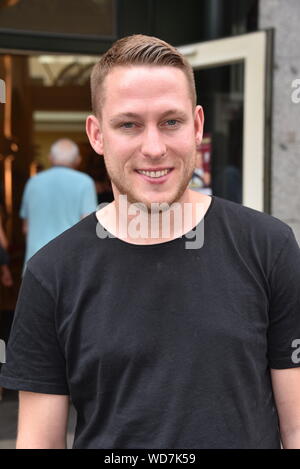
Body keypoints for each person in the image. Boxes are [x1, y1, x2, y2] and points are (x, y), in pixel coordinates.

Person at [0, 35, 300, 450]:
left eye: (171, 122)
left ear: (197, 125)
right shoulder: (52, 273)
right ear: (97, 134)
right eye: (129, 124)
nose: (154, 148)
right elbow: (38, 442)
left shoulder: (270, 248)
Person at [19, 138, 98, 267]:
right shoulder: (85, 182)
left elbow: (25, 228)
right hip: (70, 264)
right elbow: (89, 225)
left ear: (50, 158)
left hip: (35, 263)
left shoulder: (33, 182)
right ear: (78, 160)